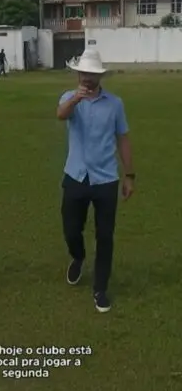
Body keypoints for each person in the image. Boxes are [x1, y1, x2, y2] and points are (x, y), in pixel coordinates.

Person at [56, 49, 134, 313]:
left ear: (99, 76)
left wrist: (129, 175)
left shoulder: (115, 104)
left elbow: (122, 138)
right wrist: (76, 100)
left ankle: (100, 289)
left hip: (106, 179)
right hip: (76, 176)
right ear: (78, 74)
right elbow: (61, 115)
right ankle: (78, 257)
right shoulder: (69, 98)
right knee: (70, 229)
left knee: (105, 236)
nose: (87, 78)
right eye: (83, 73)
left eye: (92, 74)